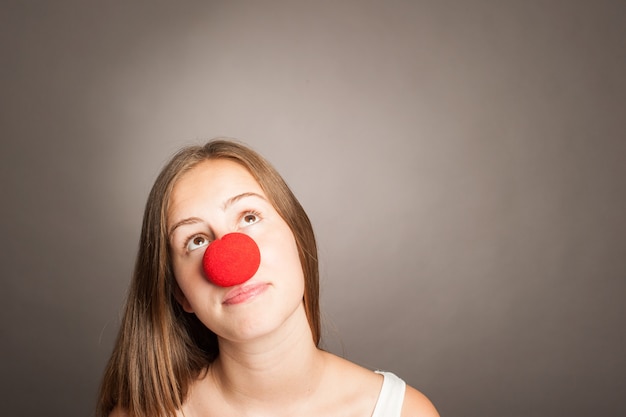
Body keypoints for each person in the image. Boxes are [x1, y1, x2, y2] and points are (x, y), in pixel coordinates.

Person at [97, 139, 439, 417]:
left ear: (298, 239)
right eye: (197, 240)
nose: (230, 257)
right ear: (180, 293)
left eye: (249, 217)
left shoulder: (404, 412)